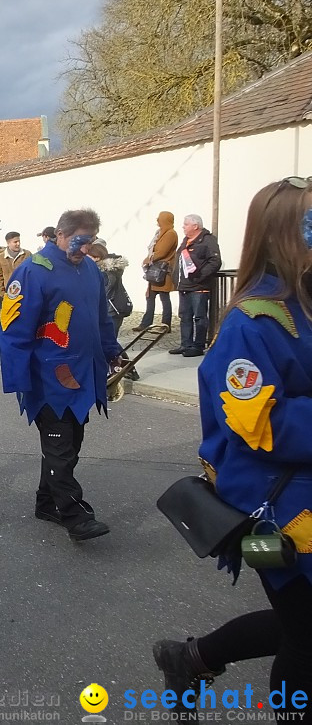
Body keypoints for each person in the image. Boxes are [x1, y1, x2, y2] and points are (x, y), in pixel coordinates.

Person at [152, 177, 312, 716]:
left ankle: (190, 660)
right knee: (306, 635)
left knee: (302, 622)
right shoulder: (253, 321)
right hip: (272, 517)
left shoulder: (306, 305)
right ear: (285, 235)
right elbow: (258, 424)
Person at [0, 208, 123, 542]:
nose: (86, 249)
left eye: (91, 241)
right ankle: (74, 515)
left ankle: (47, 502)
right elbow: (12, 331)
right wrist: (20, 380)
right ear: (61, 235)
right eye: (81, 241)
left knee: (71, 443)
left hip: (83, 375)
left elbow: (101, 319)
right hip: (48, 377)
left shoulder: (91, 272)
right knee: (60, 445)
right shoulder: (33, 271)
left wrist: (113, 350)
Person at [169, 214, 222, 357]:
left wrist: (200, 275)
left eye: (186, 224)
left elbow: (215, 261)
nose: (183, 227)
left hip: (199, 286)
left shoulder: (207, 240)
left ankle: (198, 346)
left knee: (199, 317)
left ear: (195, 226)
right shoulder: (186, 241)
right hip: (184, 286)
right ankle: (185, 344)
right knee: (185, 316)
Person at [133, 211, 178, 331]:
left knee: (164, 297)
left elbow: (162, 251)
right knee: (150, 296)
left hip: (163, 272)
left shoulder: (171, 234)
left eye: (160, 218)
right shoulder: (159, 233)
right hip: (154, 270)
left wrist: (149, 259)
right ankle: (146, 323)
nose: (157, 220)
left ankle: (165, 325)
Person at [89, 243, 132, 336]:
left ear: (97, 257)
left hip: (111, 310)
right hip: (115, 308)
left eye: (88, 256)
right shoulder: (111, 270)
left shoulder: (105, 273)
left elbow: (102, 293)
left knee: (108, 340)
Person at [0, 231, 28, 302]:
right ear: (8, 243)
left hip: (25, 293)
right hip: (9, 295)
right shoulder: (1, 257)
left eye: (19, 241)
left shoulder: (27, 255)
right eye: (15, 242)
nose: (18, 244)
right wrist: (2, 293)